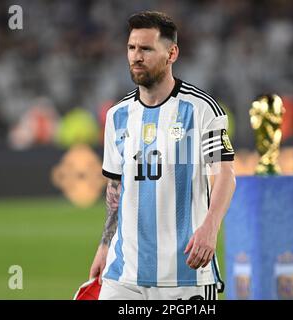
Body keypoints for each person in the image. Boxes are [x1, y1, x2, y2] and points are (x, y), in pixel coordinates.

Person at [89, 10, 236, 300]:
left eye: (146, 48)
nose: (136, 56)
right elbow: (115, 188)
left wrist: (210, 227)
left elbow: (226, 175)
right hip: (124, 274)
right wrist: (105, 245)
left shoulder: (201, 109)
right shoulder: (117, 116)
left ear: (172, 54)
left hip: (185, 271)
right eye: (131, 48)